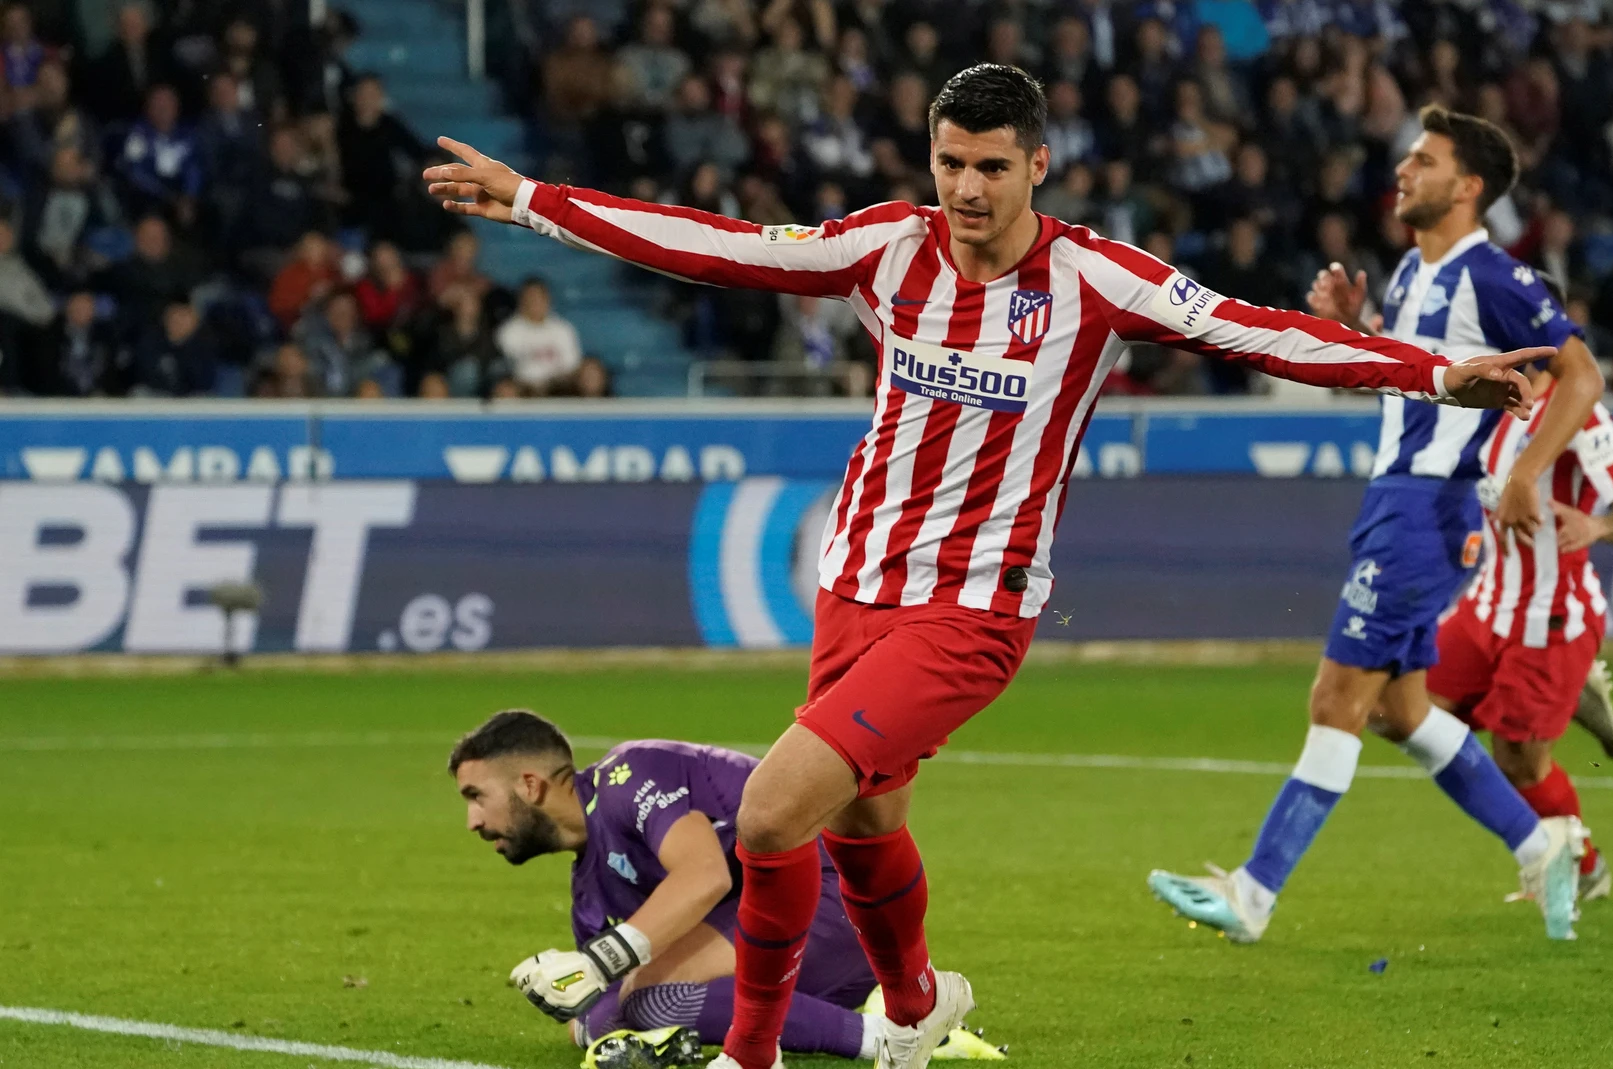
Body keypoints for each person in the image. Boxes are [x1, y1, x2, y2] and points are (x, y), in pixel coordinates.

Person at [425, 65, 1542, 1069]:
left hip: (972, 612)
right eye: (950, 163)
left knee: (770, 814)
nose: (966, 188)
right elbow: (718, 245)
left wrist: (1437, 373)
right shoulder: (887, 248)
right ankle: (915, 1000)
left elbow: (1260, 331)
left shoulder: (1097, 279)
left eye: (991, 168)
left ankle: (750, 1055)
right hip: (856, 588)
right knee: (865, 821)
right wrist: (534, 201)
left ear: (1036, 166)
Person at [1149, 105, 1606, 945]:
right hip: (1394, 496)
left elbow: (1580, 375)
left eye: (1424, 161)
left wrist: (1525, 472)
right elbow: (1423, 378)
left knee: (1335, 697)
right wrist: (1366, 328)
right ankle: (1542, 841)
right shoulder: (1410, 272)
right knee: (1400, 710)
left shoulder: (1494, 277)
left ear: (1468, 187)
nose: (1403, 171)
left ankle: (1254, 892)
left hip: (1428, 507)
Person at [445, 711, 1003, 1061]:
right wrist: (579, 1003)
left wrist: (600, 967)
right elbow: (597, 1014)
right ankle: (885, 1013)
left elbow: (703, 876)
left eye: (476, 796)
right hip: (782, 936)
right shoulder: (590, 888)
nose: (472, 822)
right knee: (637, 1005)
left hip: (830, 893)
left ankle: (887, 1037)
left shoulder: (628, 776)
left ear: (529, 784)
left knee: (649, 999)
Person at [1428, 371, 1613, 904]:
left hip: (1551, 618)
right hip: (1488, 601)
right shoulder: (1486, 387)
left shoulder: (1582, 413)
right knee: (1403, 708)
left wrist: (1598, 527)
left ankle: (1586, 869)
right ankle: (1569, 694)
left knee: (1518, 762)